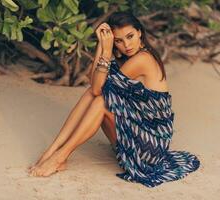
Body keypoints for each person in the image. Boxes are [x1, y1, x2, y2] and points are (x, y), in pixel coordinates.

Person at [28, 11, 200, 187]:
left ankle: (60, 156)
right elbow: (93, 80)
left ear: (140, 32)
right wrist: (101, 46)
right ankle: (51, 152)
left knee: (101, 101)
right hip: (138, 132)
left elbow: (98, 88)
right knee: (93, 95)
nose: (126, 45)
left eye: (130, 36)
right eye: (118, 40)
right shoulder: (129, 57)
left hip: (151, 146)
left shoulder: (143, 59)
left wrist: (108, 50)